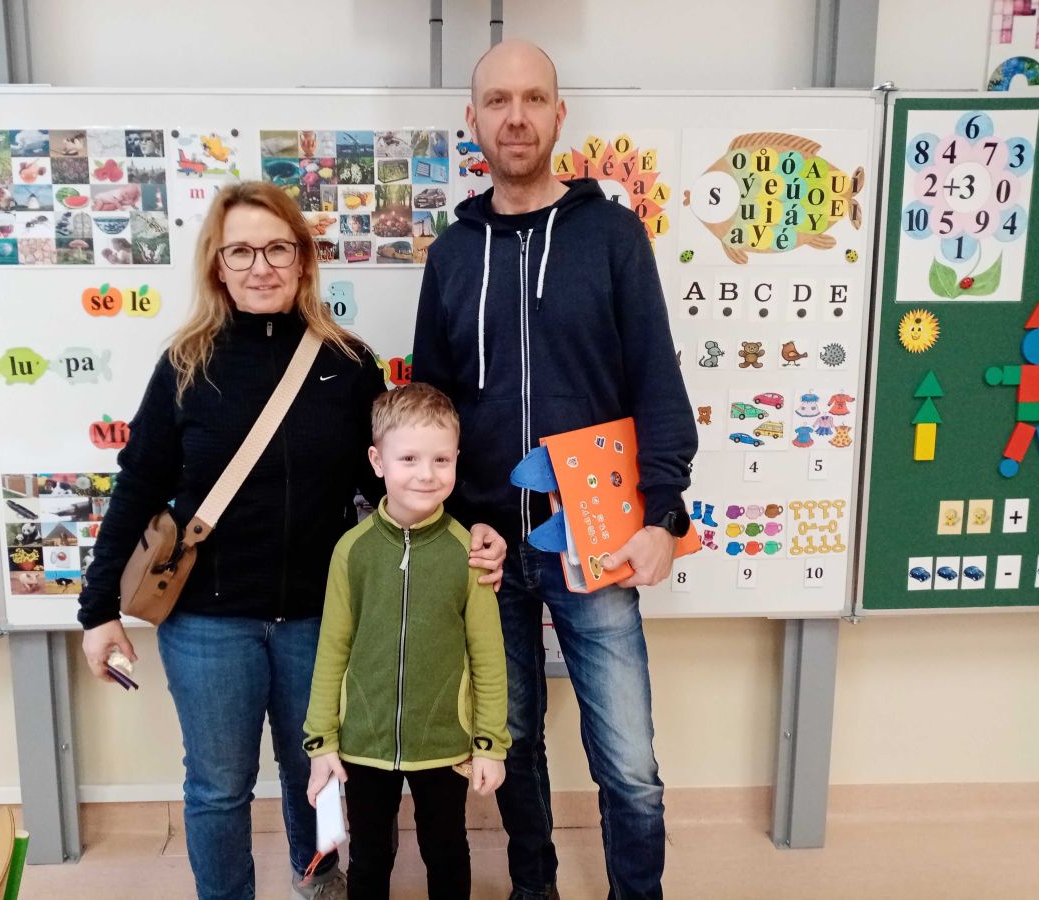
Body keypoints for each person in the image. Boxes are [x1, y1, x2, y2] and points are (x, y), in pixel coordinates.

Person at [77, 181, 507, 900]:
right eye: (240, 251)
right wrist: (97, 612)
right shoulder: (187, 364)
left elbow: (393, 481)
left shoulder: (347, 364)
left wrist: (471, 534)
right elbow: (138, 486)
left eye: (277, 248)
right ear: (217, 265)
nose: (261, 266)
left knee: (321, 773)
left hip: (320, 618)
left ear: (303, 259)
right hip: (209, 623)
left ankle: (320, 887)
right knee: (218, 787)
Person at [413, 40, 698, 900]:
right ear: (472, 120)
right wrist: (446, 526)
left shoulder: (611, 236)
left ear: (559, 114)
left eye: (533, 99)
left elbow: (656, 381)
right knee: (513, 741)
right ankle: (534, 887)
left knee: (630, 763)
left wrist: (664, 511)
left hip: (597, 539)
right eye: (498, 101)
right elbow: (431, 404)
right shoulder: (451, 254)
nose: (516, 117)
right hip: (490, 543)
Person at [303, 383, 511, 900]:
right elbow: (332, 650)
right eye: (409, 458)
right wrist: (321, 741)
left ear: (457, 459)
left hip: (444, 742)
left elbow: (488, 658)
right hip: (363, 742)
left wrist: (490, 744)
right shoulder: (352, 551)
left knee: (446, 848)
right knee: (371, 855)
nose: (427, 473)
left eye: (442, 459)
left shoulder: (469, 553)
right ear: (378, 462)